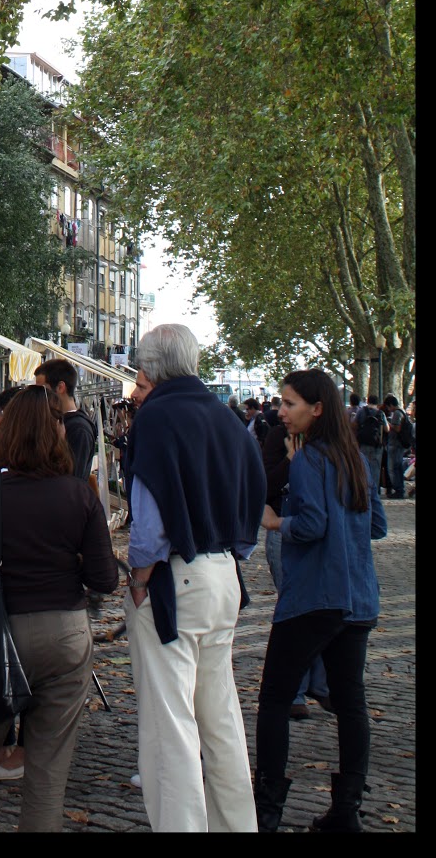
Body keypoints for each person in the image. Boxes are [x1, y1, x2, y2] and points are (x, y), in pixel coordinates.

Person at [0, 387, 119, 831]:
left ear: (5, 432)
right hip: (64, 633)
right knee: (48, 771)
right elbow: (104, 580)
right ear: (57, 433)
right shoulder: (79, 495)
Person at [125, 323, 266, 833]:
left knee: (171, 725)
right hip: (223, 571)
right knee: (220, 717)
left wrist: (139, 579)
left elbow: (150, 520)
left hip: (176, 577)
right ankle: (236, 824)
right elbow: (255, 493)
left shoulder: (157, 417)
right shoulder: (227, 417)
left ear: (150, 368)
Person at [254, 369, 387, 832]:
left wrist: (276, 522)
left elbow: (312, 525)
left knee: (274, 698)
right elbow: (376, 525)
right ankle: (346, 812)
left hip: (315, 596)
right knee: (350, 702)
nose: (281, 411)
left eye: (289, 404)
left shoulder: (309, 459)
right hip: (357, 596)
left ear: (317, 409)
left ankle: (266, 810)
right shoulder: (356, 460)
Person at [261, 415, 330, 719]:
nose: (285, 413)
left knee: (317, 610)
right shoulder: (278, 437)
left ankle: (318, 684)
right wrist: (291, 459)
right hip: (283, 531)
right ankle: (298, 691)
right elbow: (265, 487)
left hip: (319, 535)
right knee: (294, 610)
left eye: (291, 404)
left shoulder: (329, 444)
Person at [35, 358, 96, 479]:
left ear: (60, 387)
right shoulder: (58, 421)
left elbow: (72, 478)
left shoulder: (79, 429)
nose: (39, 396)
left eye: (43, 390)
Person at [354, 393, 389, 497]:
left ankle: (364, 490)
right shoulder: (381, 413)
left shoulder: (361, 411)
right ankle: (374, 493)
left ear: (368, 401)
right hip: (376, 445)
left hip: (363, 443)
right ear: (377, 403)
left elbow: (354, 425)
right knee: (375, 469)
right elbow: (387, 429)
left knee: (363, 467)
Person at [383, 395, 412, 500]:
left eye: (388, 407)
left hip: (395, 445)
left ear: (391, 405)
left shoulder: (396, 413)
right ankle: (400, 489)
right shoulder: (402, 411)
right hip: (400, 445)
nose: (388, 409)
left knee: (393, 468)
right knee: (398, 468)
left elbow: (397, 428)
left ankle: (398, 490)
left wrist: (388, 423)